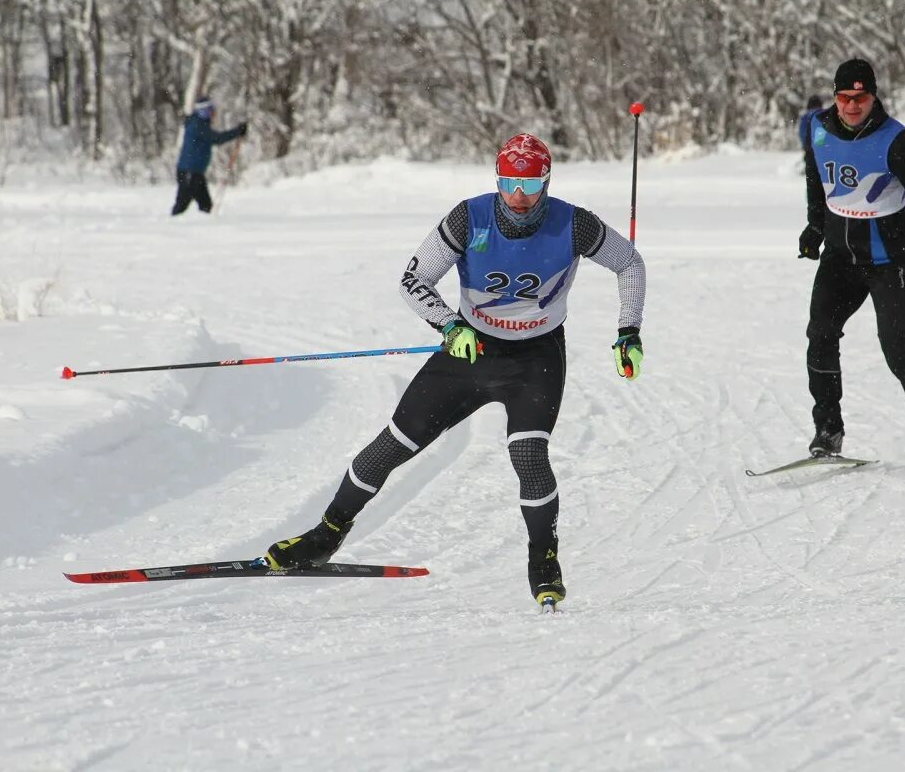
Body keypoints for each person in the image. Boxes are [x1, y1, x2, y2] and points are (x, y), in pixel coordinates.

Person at [264, 133, 647, 607]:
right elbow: (413, 279)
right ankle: (325, 534)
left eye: (530, 182)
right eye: (509, 181)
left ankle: (543, 559)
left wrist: (628, 332)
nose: (519, 195)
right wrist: (448, 326)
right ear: (497, 179)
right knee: (392, 445)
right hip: (469, 350)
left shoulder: (575, 224)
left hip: (535, 358)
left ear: (547, 180)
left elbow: (629, 262)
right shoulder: (469, 217)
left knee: (528, 457)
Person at [797, 58, 905, 465]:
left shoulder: (899, 143)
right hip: (840, 259)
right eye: (844, 97)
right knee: (820, 335)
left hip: (886, 262)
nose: (852, 105)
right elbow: (816, 179)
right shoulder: (818, 130)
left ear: (874, 96)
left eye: (860, 97)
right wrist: (814, 228)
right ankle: (828, 432)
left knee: (897, 349)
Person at [171, 96, 247, 215]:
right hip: (189, 172)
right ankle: (170, 228)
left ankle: (207, 229)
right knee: (182, 205)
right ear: (203, 111)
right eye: (210, 110)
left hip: (195, 173)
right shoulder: (197, 125)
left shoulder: (199, 123)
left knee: (206, 205)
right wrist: (237, 132)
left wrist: (237, 132)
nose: (213, 113)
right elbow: (216, 138)